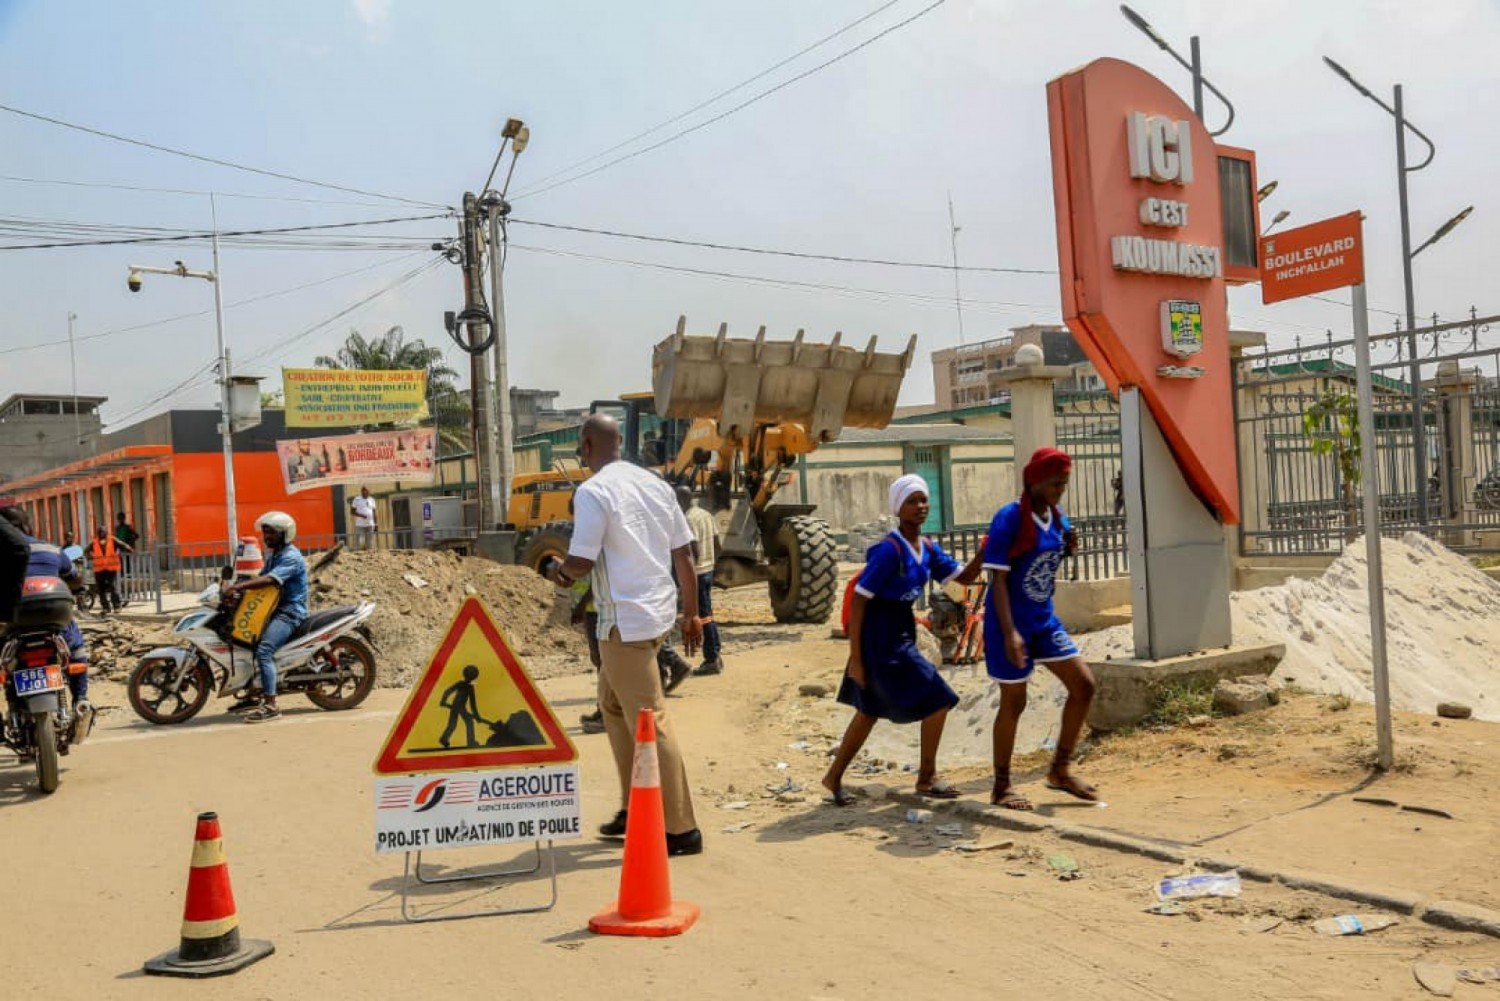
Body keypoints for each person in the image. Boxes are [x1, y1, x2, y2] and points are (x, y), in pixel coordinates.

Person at [542, 413, 705, 857]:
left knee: (651, 720)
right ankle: (636, 807)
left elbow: (580, 561)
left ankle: (680, 828)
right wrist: (691, 615)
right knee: (613, 706)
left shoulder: (593, 491)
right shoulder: (655, 484)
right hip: (656, 615)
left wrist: (557, 572)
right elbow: (684, 556)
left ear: (587, 446)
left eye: (580, 445)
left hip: (624, 625)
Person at [822, 475, 984, 807]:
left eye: (924, 500)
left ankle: (833, 777)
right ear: (899, 508)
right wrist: (856, 659)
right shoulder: (888, 551)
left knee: (869, 710)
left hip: (901, 632)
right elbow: (860, 601)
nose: (920, 506)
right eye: (912, 501)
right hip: (880, 639)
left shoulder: (926, 548)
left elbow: (962, 579)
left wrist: (985, 553)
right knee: (939, 699)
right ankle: (926, 778)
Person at [982, 446, 1098, 810]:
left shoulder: (1057, 518)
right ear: (1034, 482)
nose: (1059, 490)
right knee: (1015, 701)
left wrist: (1068, 547)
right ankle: (1001, 785)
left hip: (1043, 622)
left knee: (1083, 685)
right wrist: (1010, 633)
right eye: (1053, 484)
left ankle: (1060, 769)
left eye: (1063, 484)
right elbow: (997, 580)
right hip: (1010, 623)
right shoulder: (1010, 519)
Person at [1, 507, 93, 739]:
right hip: (52, 615)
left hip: (13, 620)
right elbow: (74, 578)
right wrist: (78, 587)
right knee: (76, 649)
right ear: (26, 526)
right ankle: (81, 700)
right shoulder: (50, 549)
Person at [221, 511, 308, 724]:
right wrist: (238, 593)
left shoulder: (290, 556)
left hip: (289, 611)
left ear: (285, 534)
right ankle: (253, 693)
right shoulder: (274, 555)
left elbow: (270, 580)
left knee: (264, 650)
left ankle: (271, 705)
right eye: (265, 531)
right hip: (271, 609)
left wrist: (239, 587)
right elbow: (260, 579)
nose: (266, 536)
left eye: (271, 532)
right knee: (246, 639)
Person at [677, 486, 724, 676]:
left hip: (697, 572)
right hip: (708, 569)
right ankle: (716, 655)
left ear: (681, 500)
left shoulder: (687, 519)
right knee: (708, 615)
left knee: (702, 616)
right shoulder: (705, 514)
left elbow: (692, 550)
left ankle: (711, 658)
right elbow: (717, 544)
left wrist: (688, 574)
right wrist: (713, 563)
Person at [87, 524, 128, 615]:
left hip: (110, 569)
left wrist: (129, 549)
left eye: (103, 532)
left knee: (112, 587)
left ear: (107, 532)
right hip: (99, 569)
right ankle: (106, 607)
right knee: (101, 590)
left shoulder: (112, 540)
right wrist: (89, 556)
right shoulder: (94, 543)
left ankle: (117, 606)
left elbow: (123, 545)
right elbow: (86, 551)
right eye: (100, 532)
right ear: (98, 533)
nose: (102, 533)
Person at [350, 486, 377, 551]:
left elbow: (374, 512)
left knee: (369, 543)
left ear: (369, 492)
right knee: (359, 541)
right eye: (363, 491)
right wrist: (361, 515)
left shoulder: (372, 500)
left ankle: (369, 556)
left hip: (370, 524)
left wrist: (376, 523)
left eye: (366, 491)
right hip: (360, 525)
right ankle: (358, 554)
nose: (365, 492)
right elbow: (352, 512)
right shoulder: (357, 499)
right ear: (361, 492)